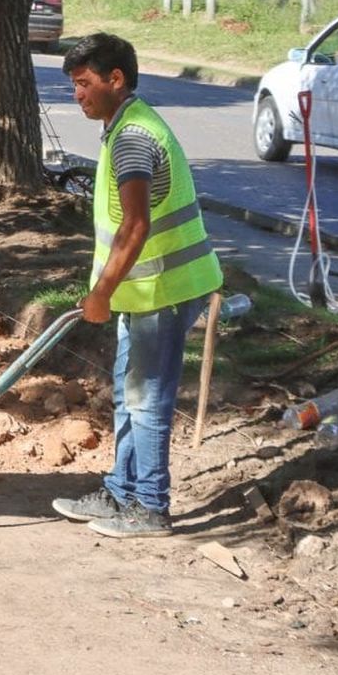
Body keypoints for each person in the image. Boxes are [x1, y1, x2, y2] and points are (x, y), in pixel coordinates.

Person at [52, 33, 222, 539]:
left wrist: (100, 293)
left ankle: (150, 508)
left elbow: (136, 225)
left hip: (164, 293)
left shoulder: (132, 137)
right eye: (74, 86)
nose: (77, 95)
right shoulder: (126, 124)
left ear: (115, 79)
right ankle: (120, 492)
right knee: (129, 396)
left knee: (146, 400)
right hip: (147, 292)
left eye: (84, 84)